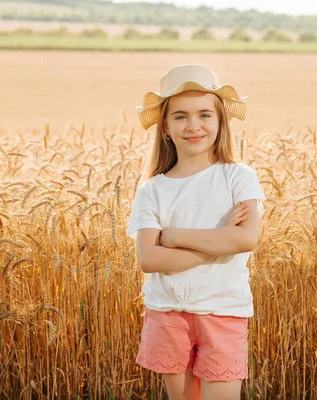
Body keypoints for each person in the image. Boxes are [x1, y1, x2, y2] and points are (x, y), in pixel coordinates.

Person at [126, 64, 266, 400]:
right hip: (168, 312)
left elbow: (245, 239)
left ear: (220, 122)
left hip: (223, 310)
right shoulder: (153, 190)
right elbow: (149, 258)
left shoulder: (238, 177)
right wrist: (218, 243)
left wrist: (174, 237)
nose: (193, 126)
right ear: (165, 128)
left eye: (204, 115)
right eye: (180, 117)